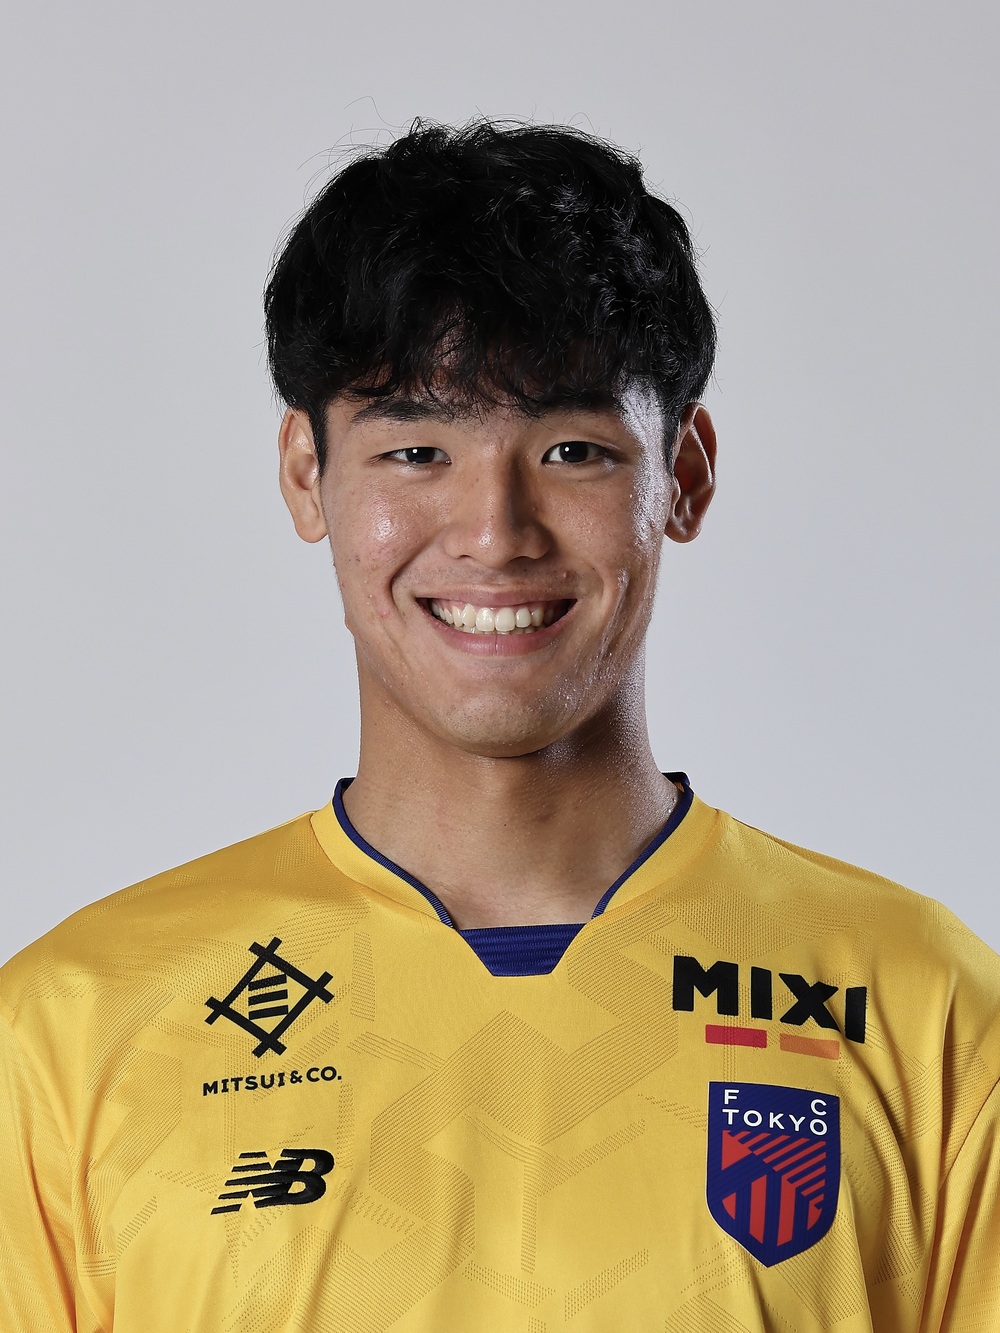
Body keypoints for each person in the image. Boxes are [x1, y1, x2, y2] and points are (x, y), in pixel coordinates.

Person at [1, 120, 998, 1333]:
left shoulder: (923, 1007)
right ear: (307, 475)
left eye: (573, 450)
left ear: (682, 473)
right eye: (416, 449)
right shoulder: (73, 1027)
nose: (495, 532)